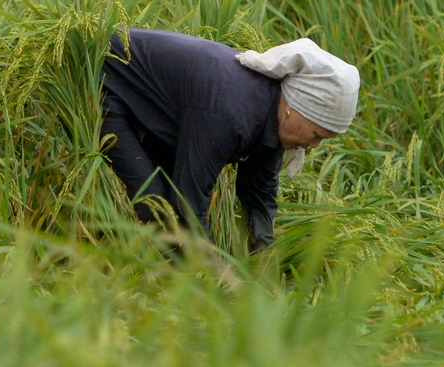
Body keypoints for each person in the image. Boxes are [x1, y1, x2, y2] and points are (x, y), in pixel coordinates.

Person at [99, 29, 359, 253]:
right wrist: (219, 277)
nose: (313, 146)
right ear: (299, 107)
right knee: (156, 206)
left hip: (156, 115)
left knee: (169, 217)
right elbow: (189, 203)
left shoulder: (271, 117)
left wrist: (263, 258)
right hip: (106, 84)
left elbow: (259, 195)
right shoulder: (231, 111)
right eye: (317, 135)